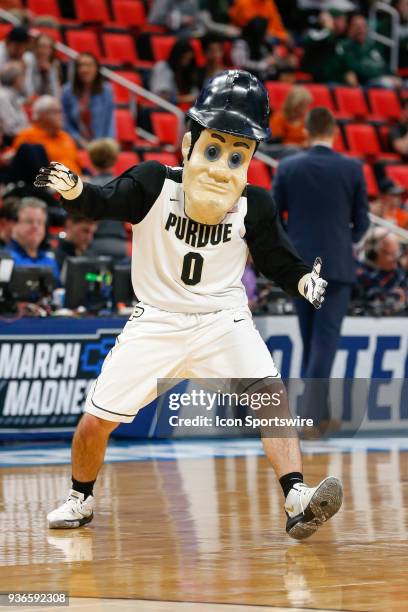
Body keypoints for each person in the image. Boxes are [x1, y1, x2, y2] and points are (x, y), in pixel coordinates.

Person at [35, 70, 342, 541]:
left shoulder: (252, 204)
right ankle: (81, 497)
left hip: (223, 320)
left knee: (271, 399)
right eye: (215, 149)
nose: (223, 165)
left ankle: (296, 496)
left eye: (238, 154)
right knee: (95, 422)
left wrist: (303, 279)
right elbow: (102, 201)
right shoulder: (153, 183)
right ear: (189, 144)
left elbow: (279, 258)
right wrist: (75, 190)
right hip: (157, 319)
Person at [272, 107, 369, 427]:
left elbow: (274, 219)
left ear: (306, 130)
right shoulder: (352, 168)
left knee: (312, 342)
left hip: (299, 266)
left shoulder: (288, 167)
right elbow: (363, 222)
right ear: (334, 131)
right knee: (324, 343)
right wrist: (343, 240)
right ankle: (312, 417)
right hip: (337, 265)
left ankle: (319, 414)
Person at [12, 95, 81, 177]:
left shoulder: (65, 136)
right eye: (56, 112)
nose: (62, 116)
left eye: (61, 111)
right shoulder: (26, 137)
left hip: (80, 183)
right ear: (42, 115)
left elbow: (80, 163)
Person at [87, 138, 128, 261]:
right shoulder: (124, 185)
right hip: (120, 243)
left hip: (95, 243)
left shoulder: (88, 186)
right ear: (114, 159)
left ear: (92, 160)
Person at [62, 53, 115, 147]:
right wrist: (78, 139)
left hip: (101, 144)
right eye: (81, 65)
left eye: (89, 65)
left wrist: (107, 144)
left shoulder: (106, 90)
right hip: (75, 144)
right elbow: (65, 121)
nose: (84, 70)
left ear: (96, 68)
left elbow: (109, 121)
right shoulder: (67, 91)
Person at [335, 14, 399, 86]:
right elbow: (354, 68)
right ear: (349, 28)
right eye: (357, 26)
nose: (361, 29)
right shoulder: (345, 46)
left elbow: (385, 67)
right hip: (367, 84)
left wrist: (395, 77)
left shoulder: (374, 46)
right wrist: (382, 77)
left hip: (384, 80)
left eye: (363, 26)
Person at [354, 227, 406, 315]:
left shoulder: (398, 274)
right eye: (390, 254)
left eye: (396, 253)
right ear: (373, 253)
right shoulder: (359, 273)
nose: (395, 258)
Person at [6, 197, 59, 281]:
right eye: (29, 221)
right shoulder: (4, 258)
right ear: (14, 224)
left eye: (40, 222)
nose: (35, 227)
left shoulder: (50, 261)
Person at [231, 17, 296, 81]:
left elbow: (274, 60)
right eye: (266, 30)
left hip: (269, 75)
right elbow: (241, 63)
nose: (268, 32)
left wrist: (286, 61)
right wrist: (263, 65)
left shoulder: (266, 43)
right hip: (250, 78)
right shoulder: (242, 43)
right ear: (258, 30)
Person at [301, 9, 349, 83]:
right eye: (342, 20)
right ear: (333, 20)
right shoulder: (315, 32)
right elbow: (307, 42)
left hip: (338, 81)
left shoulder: (341, 39)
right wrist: (328, 28)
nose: (345, 24)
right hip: (317, 81)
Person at [149, 39, 199, 105]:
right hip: (163, 108)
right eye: (184, 58)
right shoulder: (163, 67)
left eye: (189, 60)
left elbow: (195, 95)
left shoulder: (187, 71)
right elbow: (162, 97)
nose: (186, 63)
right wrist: (185, 99)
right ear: (176, 56)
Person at [25, 33, 61, 99]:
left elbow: (56, 95)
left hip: (44, 102)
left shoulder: (54, 65)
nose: (43, 50)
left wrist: (50, 72)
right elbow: (27, 87)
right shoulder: (28, 58)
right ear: (35, 47)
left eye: (47, 47)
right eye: (40, 46)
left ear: (51, 51)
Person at [0, 61, 29, 140]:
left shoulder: (14, 96)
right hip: (11, 140)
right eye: (22, 77)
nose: (24, 80)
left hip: (21, 136)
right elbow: (10, 128)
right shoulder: (3, 97)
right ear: (14, 79)